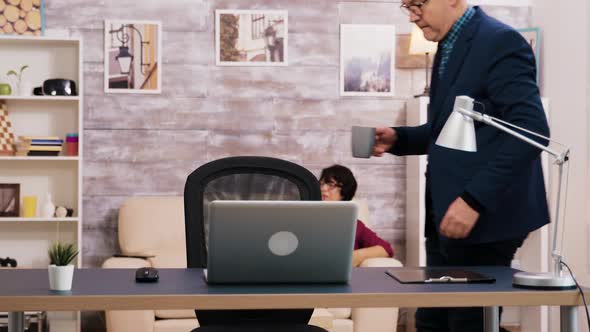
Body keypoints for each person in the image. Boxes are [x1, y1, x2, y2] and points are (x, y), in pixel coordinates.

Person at [373, 1, 550, 331]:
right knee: (431, 320)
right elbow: (450, 131)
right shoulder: (449, 45)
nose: (411, 15)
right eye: (406, 6)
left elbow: (532, 132)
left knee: (466, 322)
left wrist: (474, 201)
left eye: (417, 4)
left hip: (481, 217)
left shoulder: (499, 42)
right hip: (446, 215)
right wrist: (398, 139)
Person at [319, 165, 394, 267]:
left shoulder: (353, 225)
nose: (323, 189)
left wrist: (356, 255)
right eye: (321, 184)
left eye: (330, 185)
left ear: (344, 193)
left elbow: (386, 249)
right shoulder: (306, 218)